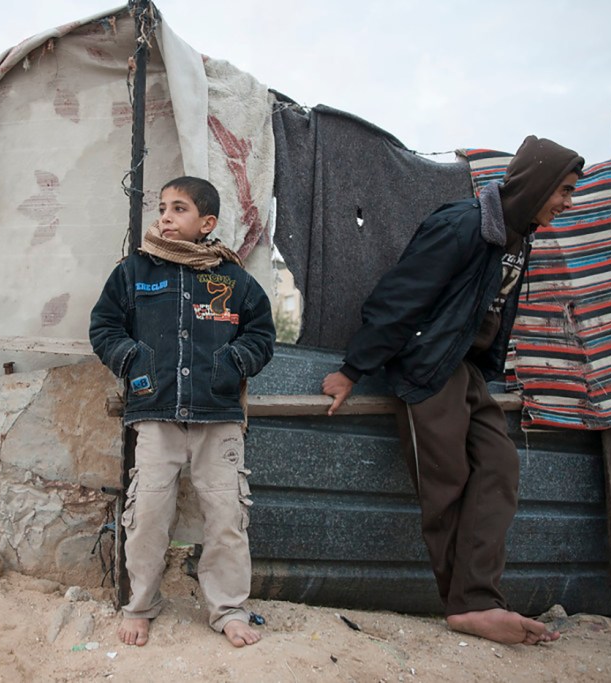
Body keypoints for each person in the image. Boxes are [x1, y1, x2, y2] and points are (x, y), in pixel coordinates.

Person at [322, 136, 584, 646]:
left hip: (463, 368)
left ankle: (478, 597)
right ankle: (467, 606)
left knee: (500, 467)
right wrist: (353, 369)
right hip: (425, 369)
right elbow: (400, 295)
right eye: (565, 191)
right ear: (536, 183)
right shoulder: (464, 225)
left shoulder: (517, 237)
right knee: (446, 483)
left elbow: (490, 311)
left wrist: (489, 367)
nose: (567, 203)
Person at [89, 176, 276, 648]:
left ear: (206, 223)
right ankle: (141, 605)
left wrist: (233, 364)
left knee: (227, 516)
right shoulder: (134, 272)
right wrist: (134, 361)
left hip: (219, 417)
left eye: (180, 209)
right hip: (156, 413)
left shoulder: (232, 279)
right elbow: (104, 326)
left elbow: (261, 334)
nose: (166, 217)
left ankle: (228, 609)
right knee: (148, 513)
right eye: (163, 208)